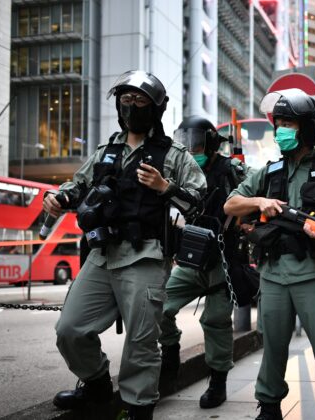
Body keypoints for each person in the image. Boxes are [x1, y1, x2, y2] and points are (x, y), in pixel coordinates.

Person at [44, 70, 206, 420]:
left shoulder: (173, 154)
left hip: (145, 256)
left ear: (157, 108)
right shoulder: (107, 150)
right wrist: (58, 198)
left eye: (141, 100)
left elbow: (199, 201)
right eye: (126, 99)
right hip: (102, 255)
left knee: (141, 342)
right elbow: (78, 185)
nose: (132, 106)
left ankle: (139, 407)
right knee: (69, 329)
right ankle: (96, 381)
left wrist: (165, 188)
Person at [224, 88, 315, 420]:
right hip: (273, 275)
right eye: (279, 123)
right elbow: (231, 204)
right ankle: (269, 406)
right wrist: (258, 202)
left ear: (306, 128)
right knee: (272, 345)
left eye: (289, 123)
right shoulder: (269, 172)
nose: (282, 129)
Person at [158, 116, 248, 407]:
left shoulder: (230, 169)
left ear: (209, 142)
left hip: (223, 257)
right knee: (158, 306)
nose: (190, 146)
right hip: (190, 258)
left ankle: (218, 381)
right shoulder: (180, 169)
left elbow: (258, 190)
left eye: (196, 141)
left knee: (216, 321)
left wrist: (245, 218)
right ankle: (170, 356)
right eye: (185, 140)